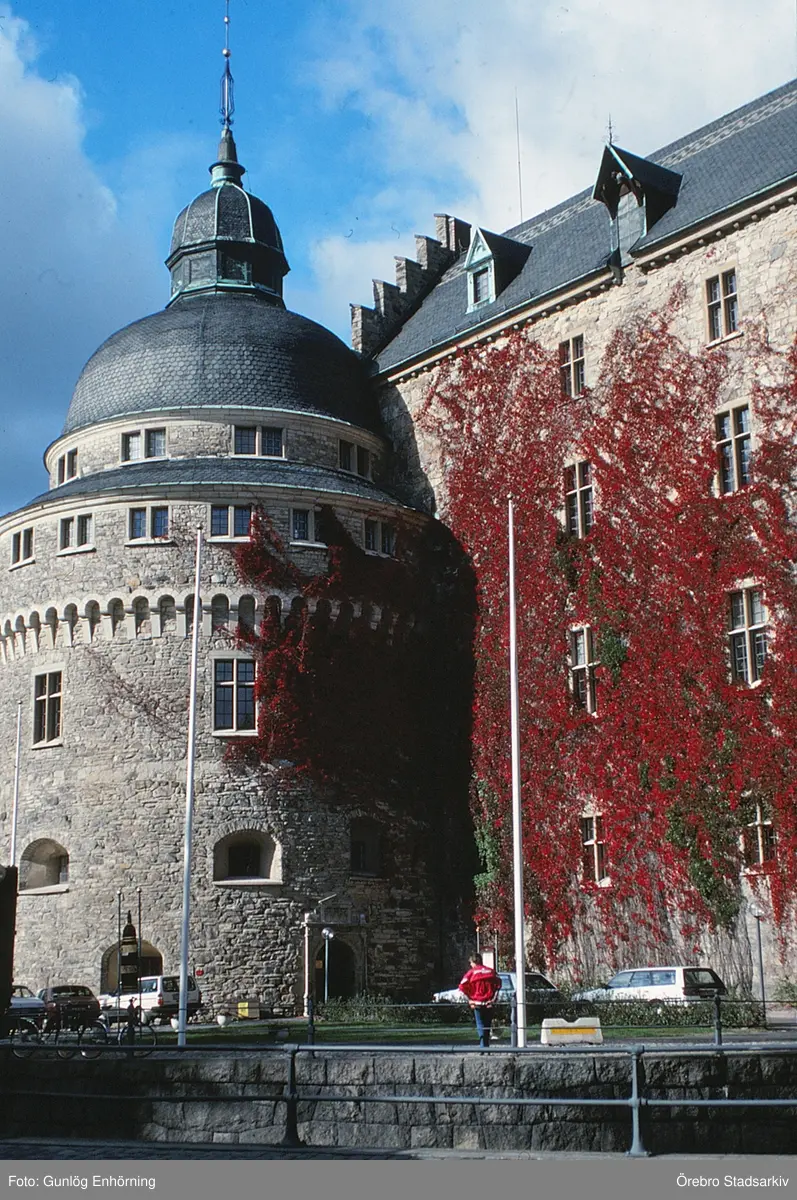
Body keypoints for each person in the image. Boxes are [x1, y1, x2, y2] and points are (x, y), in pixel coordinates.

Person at [458, 953, 501, 1048]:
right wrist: (494, 999)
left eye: (471, 963)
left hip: (477, 1002)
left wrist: (469, 999)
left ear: (474, 962)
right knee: (487, 1025)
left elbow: (462, 986)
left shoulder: (472, 973)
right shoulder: (491, 971)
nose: (470, 965)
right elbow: (498, 985)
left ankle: (483, 1047)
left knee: (480, 1024)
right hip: (489, 1002)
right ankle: (486, 1047)